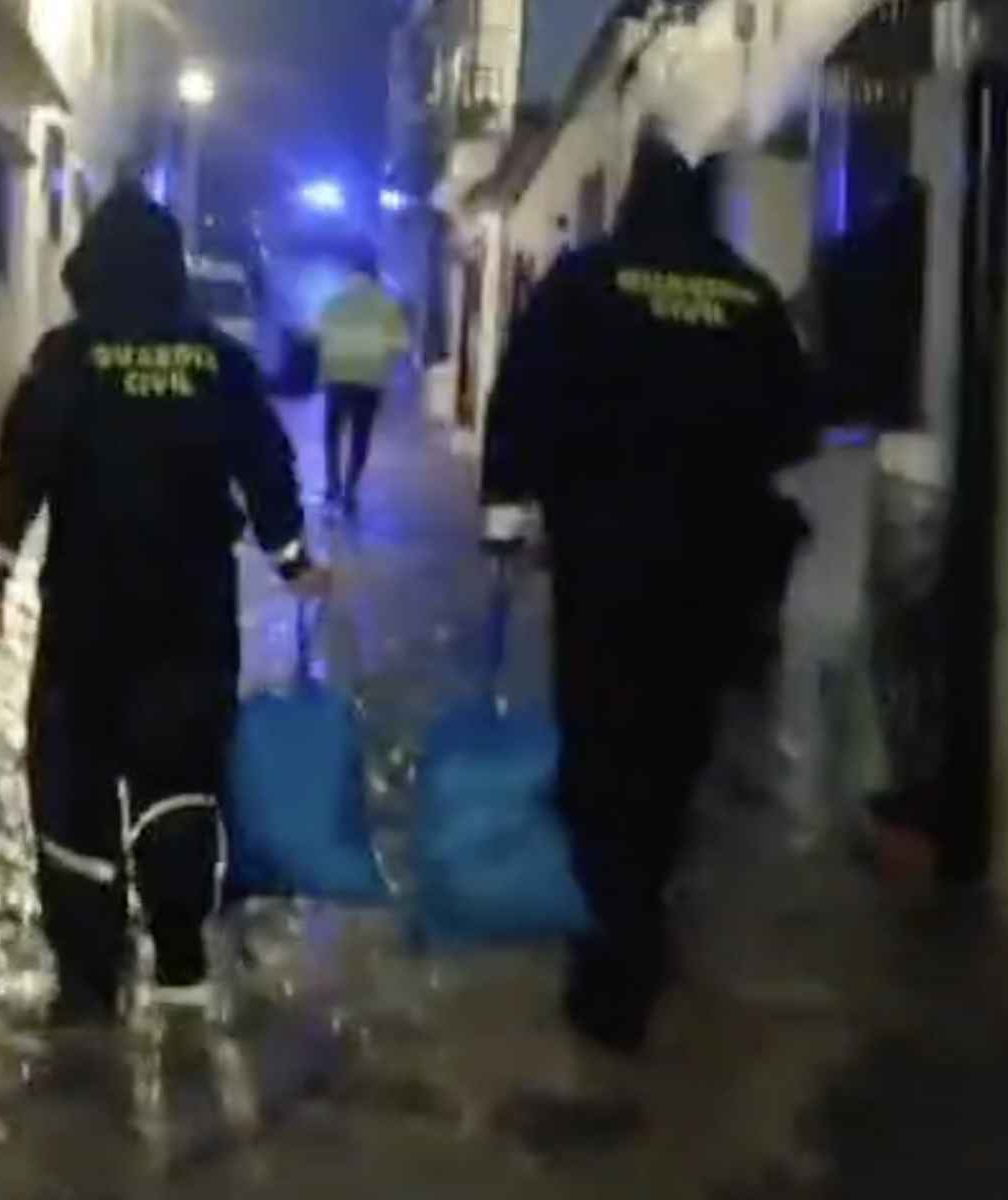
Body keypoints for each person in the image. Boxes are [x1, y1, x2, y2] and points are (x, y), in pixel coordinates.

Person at [479, 133, 822, 1052]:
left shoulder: (585, 281)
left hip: (603, 557)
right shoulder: (747, 294)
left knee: (600, 739)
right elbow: (795, 426)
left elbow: (522, 397)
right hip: (713, 566)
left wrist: (506, 511)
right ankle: (643, 903)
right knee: (676, 744)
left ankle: (609, 947)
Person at [0, 185, 328, 1025]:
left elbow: (21, 465)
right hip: (190, 616)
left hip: (84, 618)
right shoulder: (217, 361)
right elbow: (265, 464)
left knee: (74, 787)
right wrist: (291, 559)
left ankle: (89, 978)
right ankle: (179, 959)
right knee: (181, 777)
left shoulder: (66, 357)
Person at [314, 246, 411, 516]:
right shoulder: (387, 305)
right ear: (374, 273)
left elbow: (318, 335)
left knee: (331, 433)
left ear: (350, 272)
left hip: (336, 376)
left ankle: (332, 484)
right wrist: (384, 364)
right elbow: (400, 345)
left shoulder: (333, 301)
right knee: (360, 435)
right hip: (369, 379)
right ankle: (350, 489)